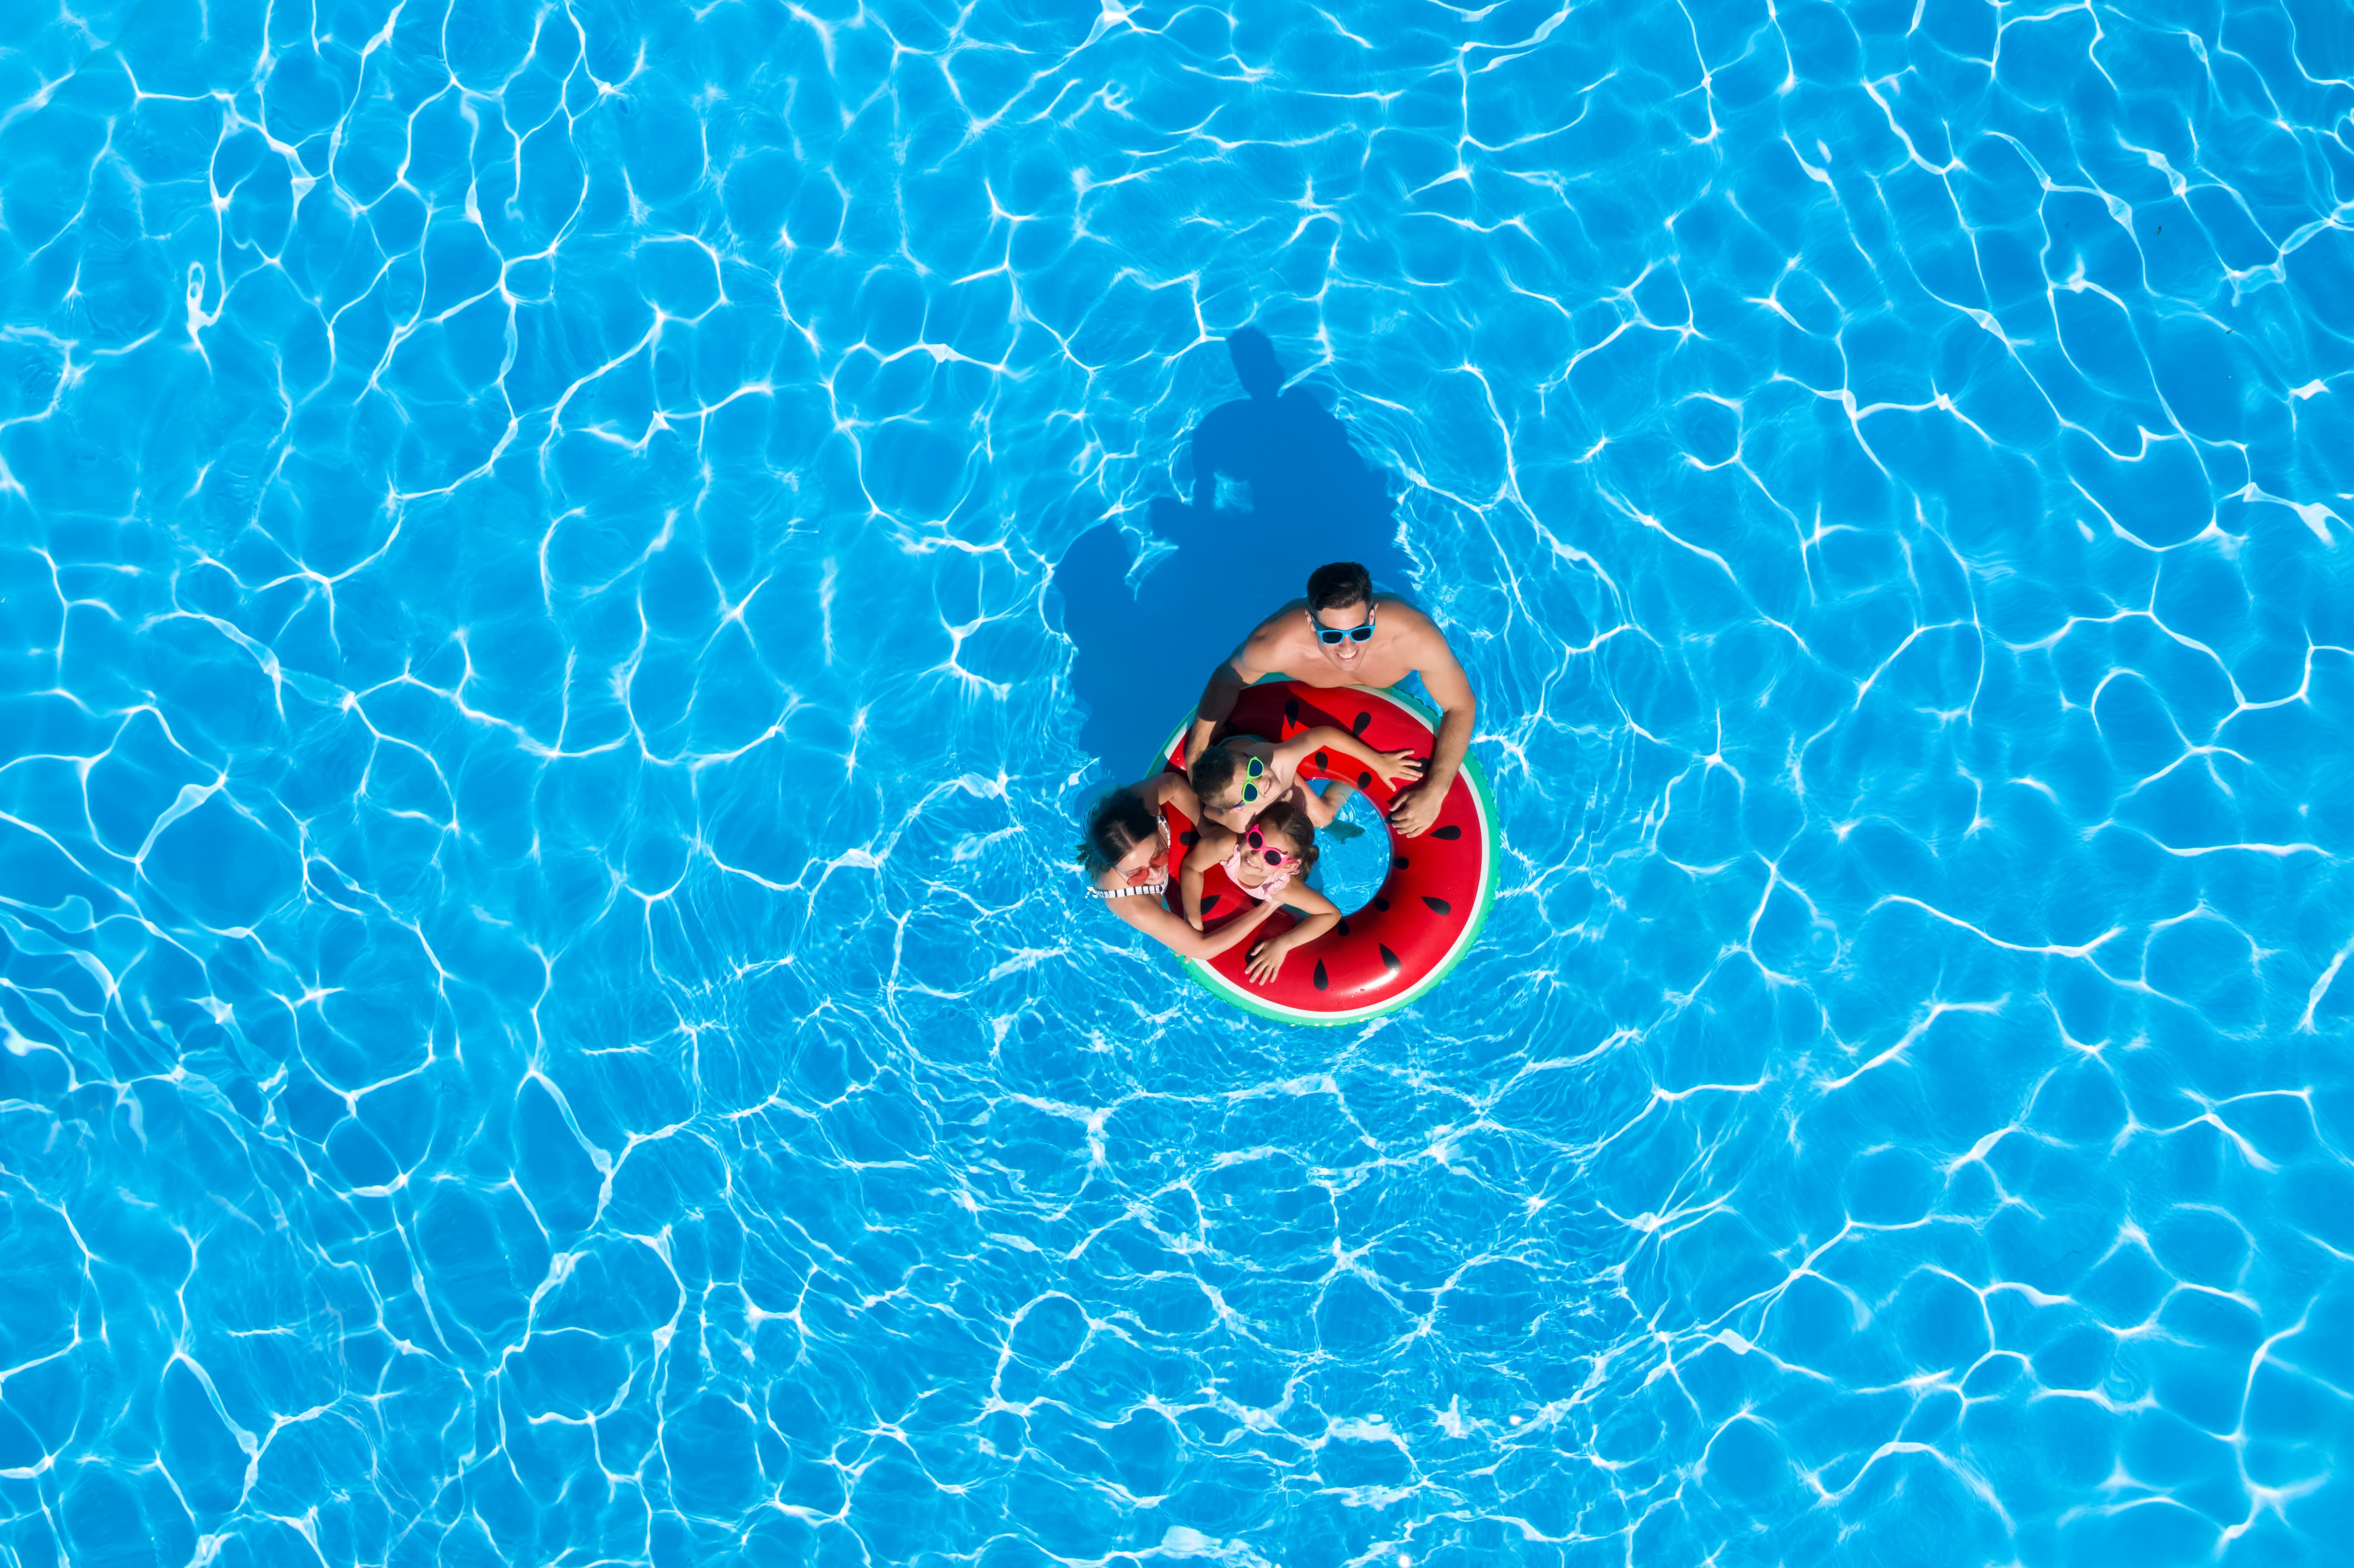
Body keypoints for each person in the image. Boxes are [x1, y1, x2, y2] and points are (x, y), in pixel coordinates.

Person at [1187, 560, 1476, 838]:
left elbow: (1460, 705)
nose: (1347, 647)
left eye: (1360, 632)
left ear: (1372, 616)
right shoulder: (1277, 645)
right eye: (1332, 635)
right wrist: (1196, 760)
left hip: (1386, 684)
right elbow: (1226, 680)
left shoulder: (1414, 638)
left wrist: (1436, 792)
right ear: (1312, 623)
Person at [1077, 777, 1292, 979]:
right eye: (1137, 873)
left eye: (1157, 856)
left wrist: (1204, 826)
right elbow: (1202, 949)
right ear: (1117, 870)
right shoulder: (1127, 902)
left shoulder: (1144, 801)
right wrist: (1268, 906)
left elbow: (1174, 784)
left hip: (1117, 809)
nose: (1155, 873)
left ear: (1154, 823)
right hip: (1111, 852)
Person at [1177, 795, 1339, 985]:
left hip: (1295, 874)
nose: (1255, 856)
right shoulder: (1227, 847)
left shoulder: (1281, 889)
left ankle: (1338, 798)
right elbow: (1192, 867)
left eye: (1272, 857)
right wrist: (1194, 920)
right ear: (1249, 829)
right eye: (1256, 839)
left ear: (1287, 866)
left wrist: (1284, 944)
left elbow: (1331, 914)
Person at [1186, 724, 1422, 835]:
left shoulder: (1278, 761)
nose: (1261, 782)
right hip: (1235, 780)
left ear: (1252, 759)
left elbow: (1324, 735)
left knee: (1324, 816)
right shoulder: (1239, 822)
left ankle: (1353, 782)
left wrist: (1378, 761)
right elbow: (1208, 812)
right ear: (1239, 808)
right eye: (1249, 792)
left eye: (1255, 769)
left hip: (1244, 742)